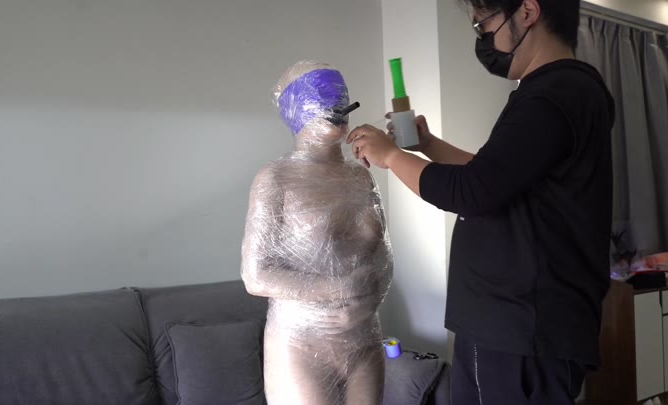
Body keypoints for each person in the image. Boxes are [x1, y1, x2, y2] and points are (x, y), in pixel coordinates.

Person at [346, 0, 615, 403]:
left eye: (483, 25)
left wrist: (391, 156)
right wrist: (428, 145)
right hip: (515, 325)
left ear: (527, 12)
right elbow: (493, 176)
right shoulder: (557, 91)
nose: (483, 39)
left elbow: (471, 191)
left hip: (520, 329)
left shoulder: (554, 94)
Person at [241, 61, 393, 405]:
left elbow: (383, 257)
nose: (336, 106)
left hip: (364, 337)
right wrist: (338, 289)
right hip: (301, 346)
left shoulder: (360, 176)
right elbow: (255, 275)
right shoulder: (275, 179)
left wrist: (367, 301)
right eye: (321, 98)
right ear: (296, 109)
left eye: (340, 98)